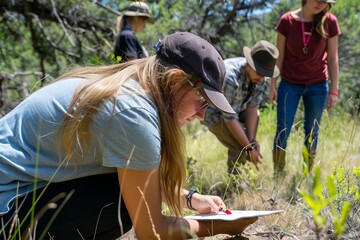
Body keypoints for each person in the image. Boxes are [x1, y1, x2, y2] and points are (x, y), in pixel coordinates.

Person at [0, 32, 257, 240]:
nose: (202, 115)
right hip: (6, 209)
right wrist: (219, 226)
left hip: (16, 195)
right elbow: (151, 231)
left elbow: (135, 178)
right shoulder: (134, 113)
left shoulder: (129, 87)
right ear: (175, 79)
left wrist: (191, 199)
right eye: (202, 101)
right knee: (121, 204)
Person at [269, 0, 340, 177]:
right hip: (289, 83)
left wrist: (334, 90)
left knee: (312, 131)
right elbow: (280, 56)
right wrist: (272, 84)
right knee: (283, 129)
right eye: (318, 0)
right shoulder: (287, 20)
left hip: (318, 85)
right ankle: (278, 174)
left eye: (325, 2)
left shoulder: (330, 21)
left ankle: (306, 175)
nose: (321, 4)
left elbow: (332, 58)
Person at [202, 40, 280, 176]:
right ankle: (235, 186)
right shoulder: (230, 77)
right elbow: (229, 118)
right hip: (213, 112)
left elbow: (252, 108)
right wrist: (248, 148)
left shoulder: (260, 78)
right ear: (249, 64)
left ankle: (241, 172)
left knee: (246, 138)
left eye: (265, 74)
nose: (262, 79)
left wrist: (251, 142)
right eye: (260, 73)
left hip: (236, 109)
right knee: (239, 146)